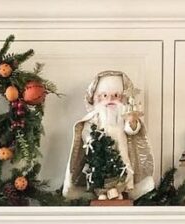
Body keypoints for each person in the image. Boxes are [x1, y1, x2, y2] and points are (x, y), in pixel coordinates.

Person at [63, 70, 155, 199]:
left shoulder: (123, 117)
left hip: (121, 153)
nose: (110, 99)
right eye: (105, 95)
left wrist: (132, 121)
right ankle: (101, 193)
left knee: (123, 171)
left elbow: (132, 131)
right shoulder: (94, 119)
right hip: (100, 155)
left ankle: (121, 191)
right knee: (100, 173)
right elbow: (86, 134)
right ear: (96, 97)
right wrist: (94, 141)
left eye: (116, 95)